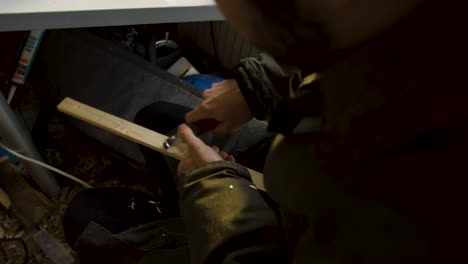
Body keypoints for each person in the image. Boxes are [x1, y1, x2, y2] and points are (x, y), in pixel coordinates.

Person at [65, 0, 468, 263]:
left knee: (87, 217)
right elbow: (352, 49)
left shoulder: (413, 222)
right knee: (161, 117)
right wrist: (256, 88)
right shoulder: (421, 24)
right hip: (292, 184)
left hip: (267, 243)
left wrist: (215, 190)